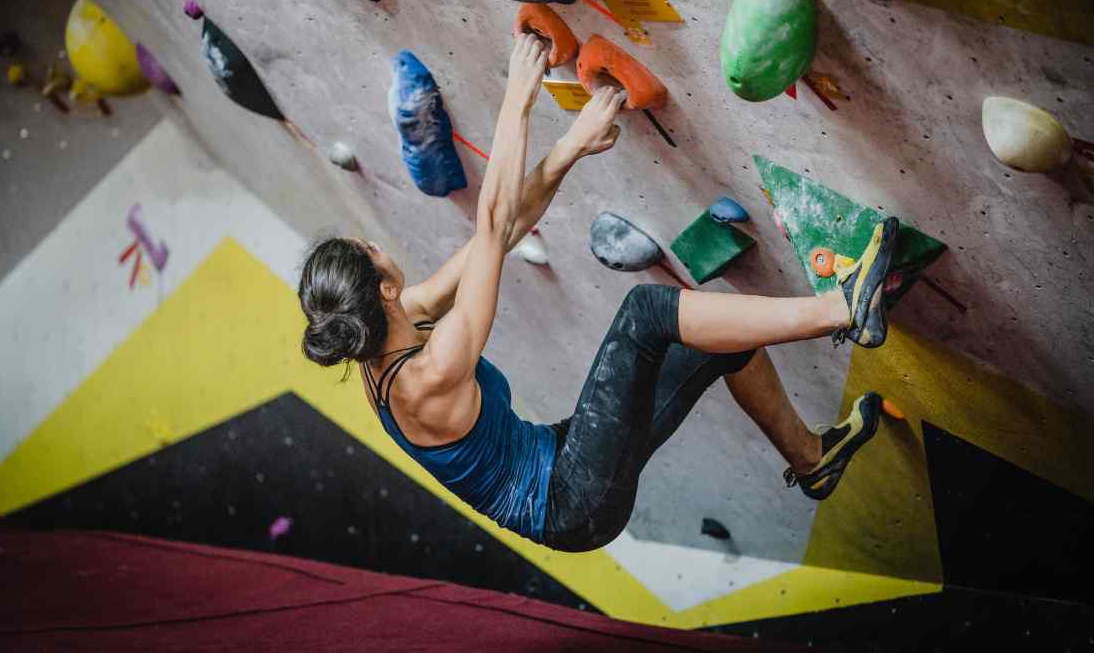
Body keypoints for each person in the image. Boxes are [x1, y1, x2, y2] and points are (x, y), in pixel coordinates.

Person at [297, 35, 897, 552]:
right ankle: (845, 309)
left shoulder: (403, 317)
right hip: (572, 501)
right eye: (368, 249)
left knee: (718, 340)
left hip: (567, 457)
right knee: (648, 313)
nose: (376, 244)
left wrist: (570, 149)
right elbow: (491, 221)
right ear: (383, 286)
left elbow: (501, 233)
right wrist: (519, 93)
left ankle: (813, 461)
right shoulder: (426, 378)